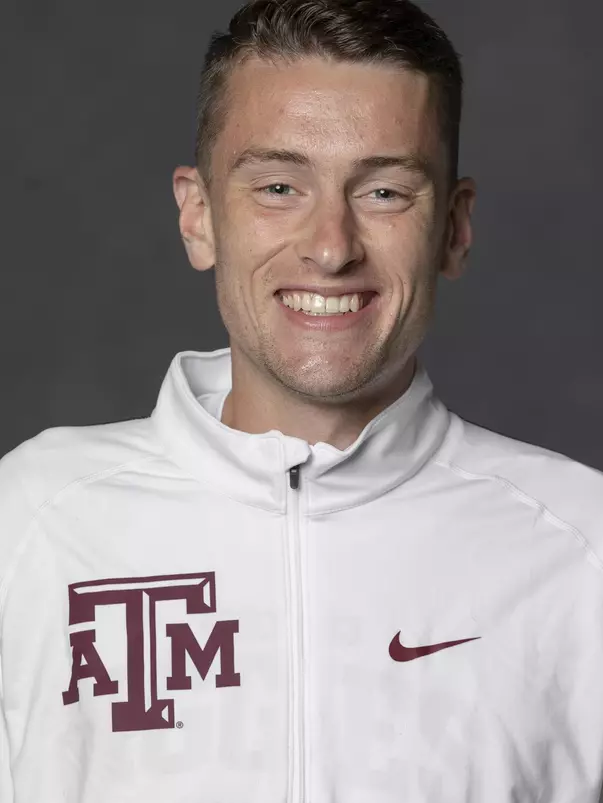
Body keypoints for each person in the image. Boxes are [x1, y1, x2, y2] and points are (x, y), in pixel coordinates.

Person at [1, 0, 602, 800]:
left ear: (453, 229)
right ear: (199, 215)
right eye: (279, 185)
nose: (330, 246)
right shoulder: (30, 521)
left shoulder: (579, 547)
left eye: (385, 192)